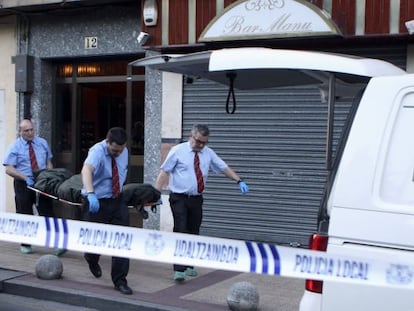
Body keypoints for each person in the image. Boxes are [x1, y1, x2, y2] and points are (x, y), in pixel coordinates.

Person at [155, 124, 249, 282]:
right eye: (198, 141)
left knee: (194, 230)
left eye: (204, 142)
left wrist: (239, 180)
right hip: (179, 198)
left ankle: (191, 263)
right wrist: (156, 193)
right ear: (191, 137)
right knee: (181, 229)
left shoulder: (208, 153)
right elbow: (164, 171)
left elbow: (223, 167)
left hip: (196, 199)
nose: (200, 145)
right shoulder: (178, 151)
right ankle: (179, 269)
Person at [81, 127, 132, 295]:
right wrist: (91, 193)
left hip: (116, 199)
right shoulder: (97, 151)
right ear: (107, 142)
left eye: (121, 150)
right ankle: (91, 258)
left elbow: (122, 172)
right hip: (96, 200)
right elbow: (87, 170)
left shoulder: (123, 151)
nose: (118, 153)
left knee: (122, 240)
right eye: (114, 150)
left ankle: (120, 280)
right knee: (95, 240)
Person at [3, 119, 66, 256]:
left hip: (42, 182)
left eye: (32, 129)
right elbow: (8, 169)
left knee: (47, 210)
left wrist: (50, 176)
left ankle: (57, 243)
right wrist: (25, 178)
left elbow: (48, 162)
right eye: (26, 130)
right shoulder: (15, 147)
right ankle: (26, 243)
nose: (30, 132)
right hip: (23, 182)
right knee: (25, 212)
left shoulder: (42, 143)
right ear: (20, 132)